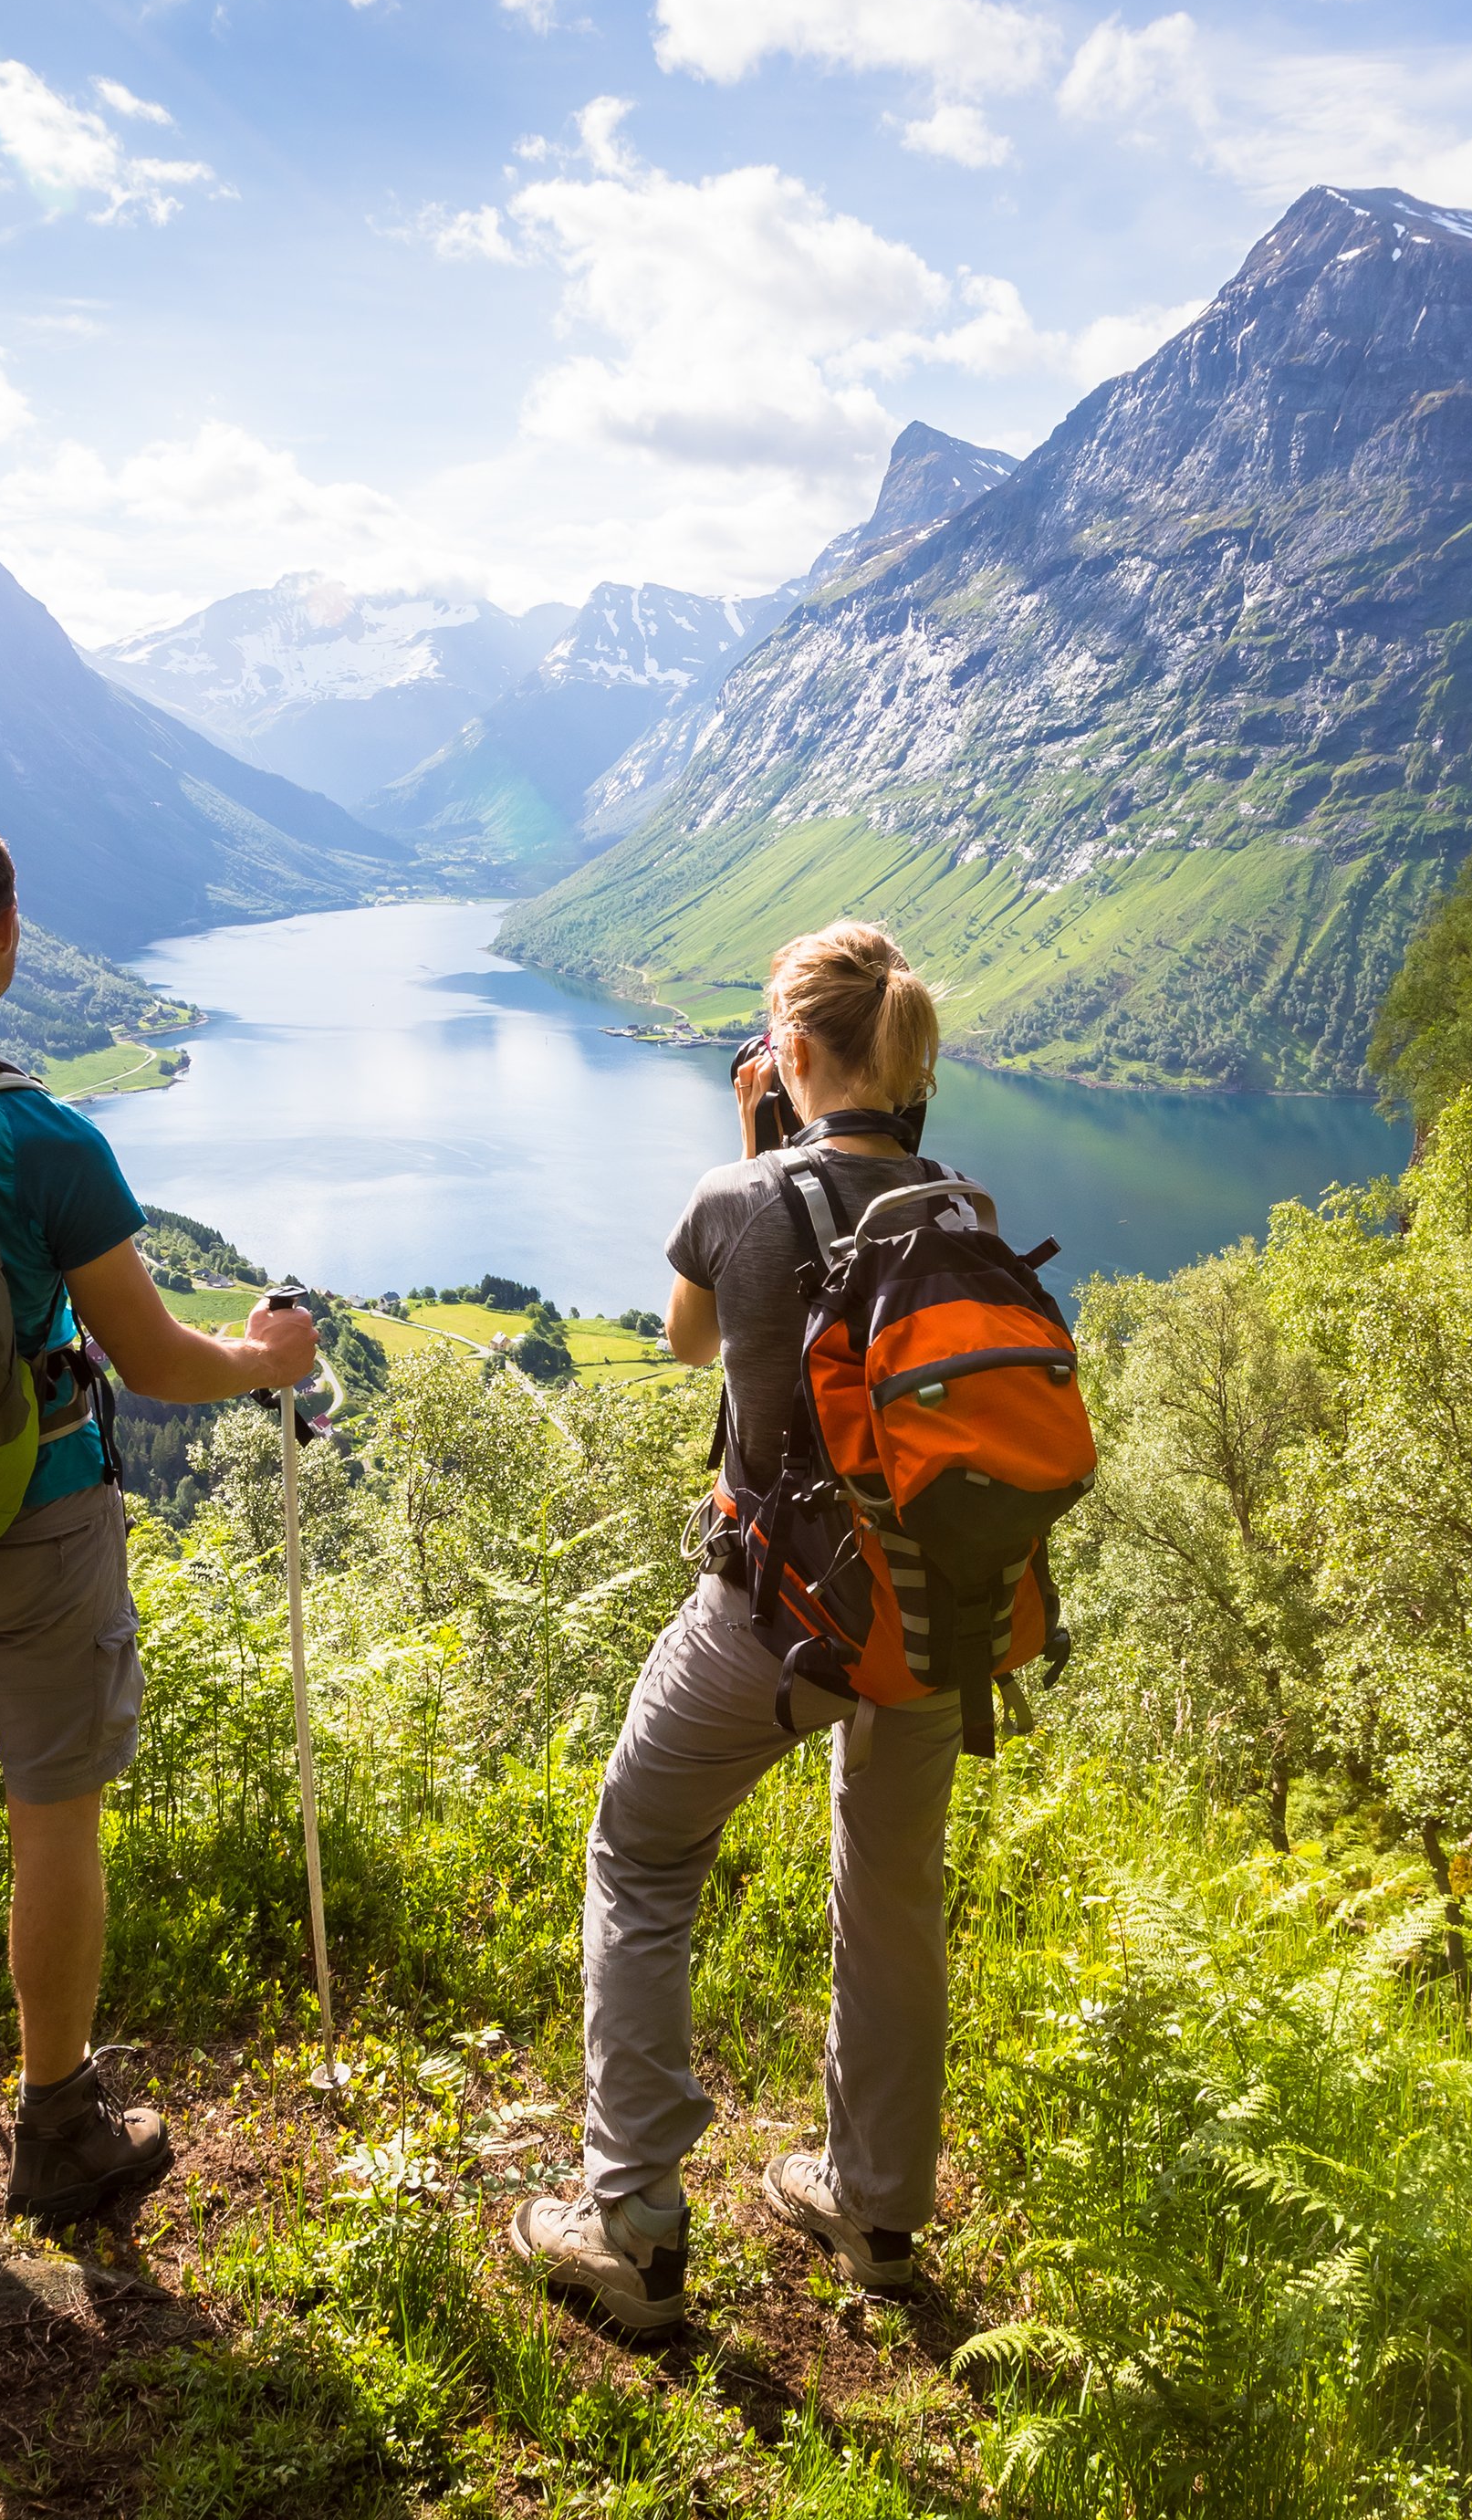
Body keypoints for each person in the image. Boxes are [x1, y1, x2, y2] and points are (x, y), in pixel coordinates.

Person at [0, 801, 317, 2223]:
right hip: (36, 1519)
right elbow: (156, 1361)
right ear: (5, 937)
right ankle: (59, 2129)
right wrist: (268, 1360)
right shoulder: (43, 1134)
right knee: (54, 1819)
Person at [509, 921, 960, 2331]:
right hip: (931, 1621)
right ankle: (879, 2213)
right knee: (892, 1899)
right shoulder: (962, 1205)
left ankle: (633, 2223)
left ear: (799, 1054)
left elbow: (688, 1341)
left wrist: (757, 1141)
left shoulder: (737, 1194)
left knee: (641, 1857)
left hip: (773, 1620)